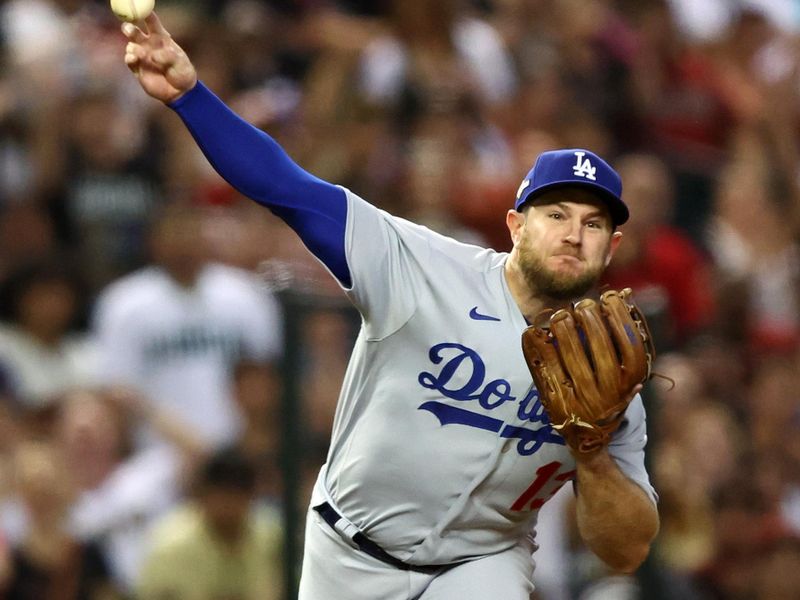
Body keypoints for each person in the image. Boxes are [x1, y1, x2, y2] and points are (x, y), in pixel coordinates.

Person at [121, 13, 659, 599]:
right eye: (556, 215)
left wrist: (594, 456)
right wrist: (191, 98)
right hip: (350, 551)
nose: (574, 234)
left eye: (593, 223)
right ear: (514, 226)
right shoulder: (422, 267)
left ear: (613, 248)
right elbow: (292, 191)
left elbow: (626, 550)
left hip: (481, 563)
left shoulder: (611, 375)